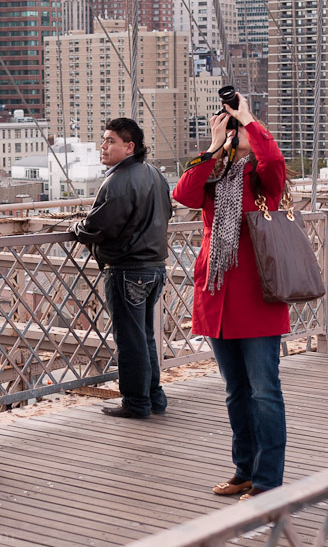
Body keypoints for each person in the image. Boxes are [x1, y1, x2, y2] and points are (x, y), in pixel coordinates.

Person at [173, 93, 289, 501]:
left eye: (238, 126)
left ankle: (268, 480)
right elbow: (183, 195)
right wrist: (211, 145)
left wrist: (249, 120)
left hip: (257, 295)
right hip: (217, 293)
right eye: (231, 124)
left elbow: (275, 162)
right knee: (235, 390)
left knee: (263, 390)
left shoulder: (262, 177)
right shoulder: (214, 174)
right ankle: (243, 470)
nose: (234, 130)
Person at [70, 117, 172, 419]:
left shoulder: (118, 181)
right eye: (104, 140)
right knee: (145, 336)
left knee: (130, 340)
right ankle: (155, 397)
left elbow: (96, 227)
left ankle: (136, 402)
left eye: (110, 140)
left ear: (129, 147)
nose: (103, 146)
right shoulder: (154, 174)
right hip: (154, 266)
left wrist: (77, 226)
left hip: (128, 268)